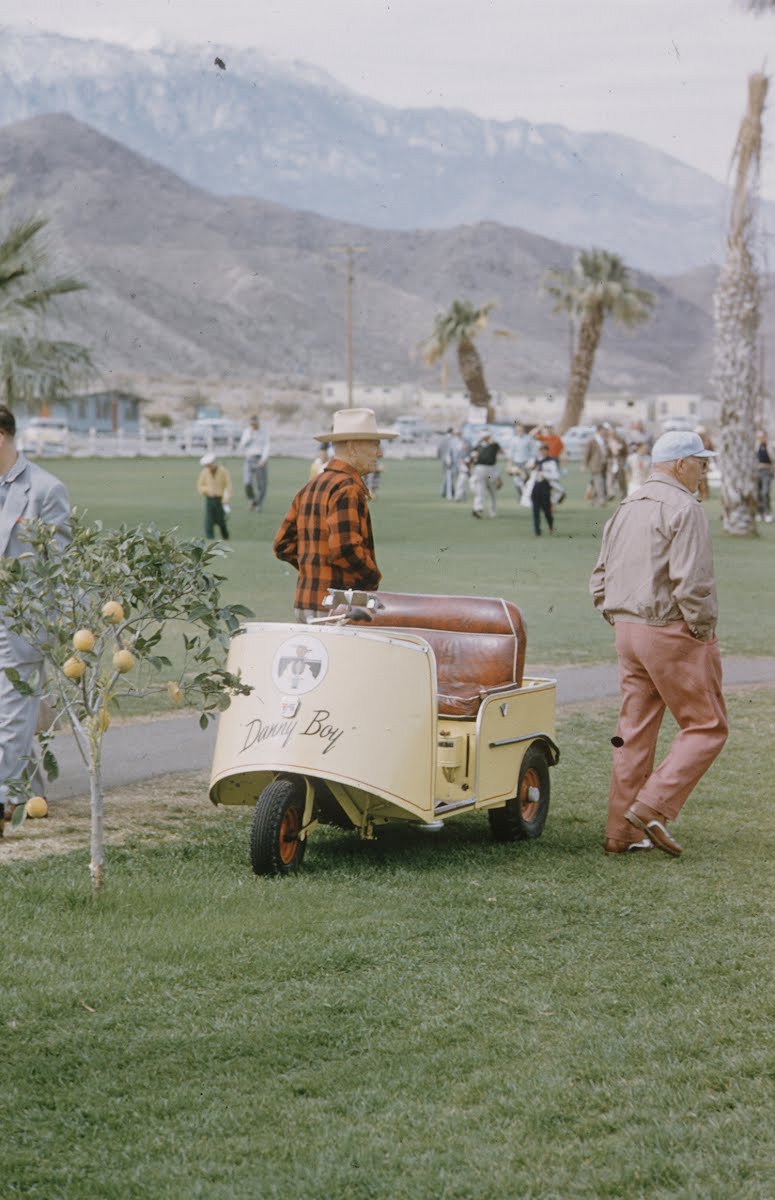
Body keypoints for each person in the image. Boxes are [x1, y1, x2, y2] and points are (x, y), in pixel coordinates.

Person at [590, 430, 728, 858]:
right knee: (707, 726)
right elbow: (693, 582)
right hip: (668, 630)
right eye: (700, 462)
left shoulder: (628, 505)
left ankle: (622, 833)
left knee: (633, 732)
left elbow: (599, 577)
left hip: (626, 630)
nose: (704, 470)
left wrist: (618, 617)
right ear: (680, 464)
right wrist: (702, 630)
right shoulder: (685, 507)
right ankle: (650, 809)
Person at [0, 405, 71, 829]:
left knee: (13, 710)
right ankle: (29, 787)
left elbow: (62, 566)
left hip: (21, 623)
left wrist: (59, 625)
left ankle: (6, 798)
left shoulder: (46, 489)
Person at [273, 408, 397, 621]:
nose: (380, 453)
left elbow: (283, 544)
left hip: (306, 603)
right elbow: (345, 548)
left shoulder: (311, 486)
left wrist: (314, 568)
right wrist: (372, 578)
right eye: (374, 445)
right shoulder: (347, 488)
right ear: (353, 447)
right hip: (338, 608)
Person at [197, 452, 231, 540]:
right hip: (209, 499)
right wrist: (207, 491)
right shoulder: (204, 472)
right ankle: (210, 538)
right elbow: (200, 485)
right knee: (209, 520)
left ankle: (225, 537)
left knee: (221, 520)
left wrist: (226, 498)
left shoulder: (223, 471)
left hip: (220, 500)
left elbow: (228, 485)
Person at [239, 415, 270, 512]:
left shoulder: (264, 432)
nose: (254, 425)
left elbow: (266, 446)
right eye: (252, 423)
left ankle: (258, 504)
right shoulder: (247, 432)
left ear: (258, 422)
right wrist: (250, 435)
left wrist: (263, 459)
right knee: (247, 482)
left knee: (262, 485)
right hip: (249, 459)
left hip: (260, 459)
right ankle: (253, 500)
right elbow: (243, 445)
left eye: (255, 423)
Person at [469, 432, 502, 518]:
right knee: (483, 489)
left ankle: (480, 508)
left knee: (488, 489)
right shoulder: (481, 446)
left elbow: (500, 451)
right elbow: (472, 458)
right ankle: (481, 508)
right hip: (484, 470)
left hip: (487, 471)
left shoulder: (492, 445)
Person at [524, 457, 554, 536]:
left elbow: (555, 475)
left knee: (547, 511)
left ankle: (550, 526)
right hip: (535, 488)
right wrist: (532, 467)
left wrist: (544, 474)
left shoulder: (550, 462)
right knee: (535, 511)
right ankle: (537, 531)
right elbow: (526, 468)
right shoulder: (534, 460)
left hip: (545, 487)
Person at [508, 422, 539, 497]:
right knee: (517, 481)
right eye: (518, 430)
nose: (519, 431)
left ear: (523, 430)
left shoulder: (528, 439)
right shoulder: (513, 440)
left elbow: (533, 452)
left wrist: (532, 462)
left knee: (526, 480)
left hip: (526, 463)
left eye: (520, 429)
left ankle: (527, 496)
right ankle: (521, 495)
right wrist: (509, 465)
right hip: (516, 463)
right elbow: (511, 454)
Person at [583, 425, 608, 505]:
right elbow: (587, 453)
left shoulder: (605, 440)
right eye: (603, 430)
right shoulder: (592, 441)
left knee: (598, 482)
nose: (605, 432)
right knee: (599, 482)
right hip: (595, 465)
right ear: (599, 431)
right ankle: (602, 499)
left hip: (605, 464)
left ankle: (593, 499)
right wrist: (584, 464)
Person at [755, 429, 772, 523]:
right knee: (758, 493)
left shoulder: (770, 446)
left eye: (762, 437)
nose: (761, 439)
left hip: (767, 471)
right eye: (759, 437)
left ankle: (767, 513)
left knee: (765, 492)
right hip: (758, 471)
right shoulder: (756, 447)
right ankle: (760, 513)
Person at [437, 429, 456, 500]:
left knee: (447, 476)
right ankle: (447, 492)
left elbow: (438, 450)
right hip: (450, 460)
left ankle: (447, 491)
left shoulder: (442, 440)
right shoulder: (452, 440)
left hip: (443, 460)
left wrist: (440, 458)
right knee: (449, 477)